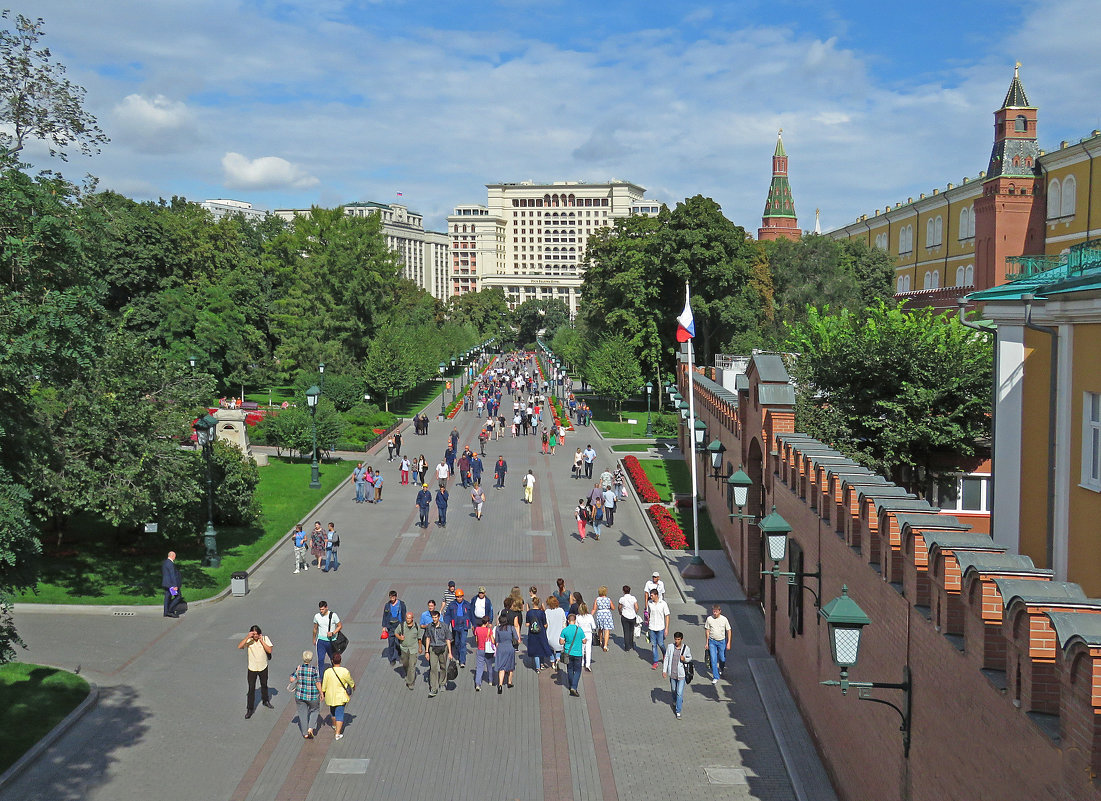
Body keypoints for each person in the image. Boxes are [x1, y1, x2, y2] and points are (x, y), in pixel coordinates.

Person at [237, 625, 274, 719]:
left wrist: (261, 641)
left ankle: (265, 700)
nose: (255, 636)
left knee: (264, 685)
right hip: (252, 668)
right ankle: (250, 709)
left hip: (263, 667)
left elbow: (269, 650)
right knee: (251, 689)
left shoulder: (265, 639)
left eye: (257, 634)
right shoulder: (249, 640)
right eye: (254, 634)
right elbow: (240, 646)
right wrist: (247, 637)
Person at [289, 650, 323, 739]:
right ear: (311, 658)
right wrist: (321, 692)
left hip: (300, 695)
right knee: (315, 710)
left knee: (302, 713)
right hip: (313, 695)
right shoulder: (314, 669)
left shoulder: (299, 668)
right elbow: (317, 682)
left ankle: (305, 733)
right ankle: (311, 728)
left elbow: (292, 679)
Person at [321, 651, 355, 739]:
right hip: (340, 696)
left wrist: (323, 693)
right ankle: (337, 733)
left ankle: (334, 725)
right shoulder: (344, 671)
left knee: (332, 711)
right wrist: (353, 686)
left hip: (330, 696)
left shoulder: (328, 672)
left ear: (332, 661)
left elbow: (324, 685)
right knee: (340, 713)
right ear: (340, 660)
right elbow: (350, 681)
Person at [662, 632, 692, 719]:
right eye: (676, 639)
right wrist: (664, 671)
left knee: (679, 692)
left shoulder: (686, 648)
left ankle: (678, 711)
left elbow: (690, 658)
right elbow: (667, 658)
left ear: (681, 639)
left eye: (678, 639)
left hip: (681, 674)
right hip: (672, 673)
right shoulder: (670, 647)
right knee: (674, 690)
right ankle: (675, 701)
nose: (677, 641)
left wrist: (685, 659)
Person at [423, 609, 452, 697]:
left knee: (443, 666)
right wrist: (427, 651)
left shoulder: (444, 626)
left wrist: (450, 652)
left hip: (443, 648)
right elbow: (427, 638)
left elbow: (448, 639)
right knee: (433, 668)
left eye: (436, 617)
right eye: (433, 617)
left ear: (439, 617)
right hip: (433, 648)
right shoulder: (429, 627)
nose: (434, 619)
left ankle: (442, 683)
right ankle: (434, 688)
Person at [704, 604, 733, 684]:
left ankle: (721, 668)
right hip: (712, 641)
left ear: (720, 611)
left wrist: (728, 642)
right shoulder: (709, 619)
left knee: (722, 658)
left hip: (721, 641)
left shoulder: (724, 619)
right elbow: (707, 630)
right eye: (714, 612)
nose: (715, 613)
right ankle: (715, 676)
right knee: (713, 659)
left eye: (716, 612)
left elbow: (729, 630)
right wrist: (707, 642)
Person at [560, 613, 587, 697]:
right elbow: (584, 641)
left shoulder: (565, 630)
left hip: (568, 653)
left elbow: (561, 642)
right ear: (575, 621)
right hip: (578, 653)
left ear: (568, 621)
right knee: (578, 670)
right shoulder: (579, 630)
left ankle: (571, 685)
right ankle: (574, 687)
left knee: (570, 669)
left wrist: (566, 642)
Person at [525, 596, 554, 672]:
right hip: (541, 633)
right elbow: (545, 624)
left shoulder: (529, 613)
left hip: (532, 634)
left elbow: (527, 624)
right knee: (543, 647)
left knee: (535, 651)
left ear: (532, 603)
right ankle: (546, 662)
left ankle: (537, 667)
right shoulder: (542, 613)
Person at [444, 589, 472, 668]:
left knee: (462, 643)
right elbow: (447, 615)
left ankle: (462, 661)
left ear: (463, 596)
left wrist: (474, 625)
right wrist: (446, 625)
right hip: (455, 627)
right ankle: (458, 655)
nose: (459, 598)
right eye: (457, 597)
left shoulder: (467, 604)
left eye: (460, 596)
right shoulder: (452, 605)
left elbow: (471, 615)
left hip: (464, 627)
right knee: (457, 643)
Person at [313, 600, 342, 671]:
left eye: (322, 609)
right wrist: (314, 639)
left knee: (334, 659)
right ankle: (321, 678)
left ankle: (336, 673)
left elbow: (339, 626)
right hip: (321, 641)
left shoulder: (333, 615)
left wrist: (333, 633)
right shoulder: (317, 616)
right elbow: (315, 628)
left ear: (326, 608)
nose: (321, 611)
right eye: (320, 609)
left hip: (331, 641)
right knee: (320, 660)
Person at [494, 611, 519, 693]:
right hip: (509, 648)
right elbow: (516, 637)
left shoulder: (497, 629)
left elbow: (496, 641)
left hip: (501, 649)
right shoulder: (511, 628)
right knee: (510, 666)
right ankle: (509, 682)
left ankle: (500, 685)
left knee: (501, 668)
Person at [395, 611, 421, 690]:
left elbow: (419, 638)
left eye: (409, 618)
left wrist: (420, 648)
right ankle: (407, 673)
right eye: (407, 618)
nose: (408, 620)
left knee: (412, 666)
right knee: (405, 664)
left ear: (412, 618)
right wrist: (400, 638)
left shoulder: (416, 626)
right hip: (404, 648)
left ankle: (410, 682)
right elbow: (396, 633)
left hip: (413, 649)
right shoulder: (402, 626)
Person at [646, 589, 670, 669]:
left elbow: (667, 615)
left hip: (660, 627)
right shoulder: (649, 603)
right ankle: (655, 662)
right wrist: (647, 620)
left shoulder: (663, 604)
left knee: (661, 643)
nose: (650, 597)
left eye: (652, 595)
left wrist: (666, 628)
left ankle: (665, 654)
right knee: (653, 645)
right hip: (652, 627)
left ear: (656, 595)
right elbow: (647, 613)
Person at [382, 590, 406, 665]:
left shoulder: (401, 604)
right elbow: (385, 616)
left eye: (393, 597)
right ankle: (392, 659)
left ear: (396, 597)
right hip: (390, 627)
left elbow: (404, 614)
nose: (392, 598)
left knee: (399, 642)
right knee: (391, 643)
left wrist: (404, 625)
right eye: (390, 597)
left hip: (399, 626)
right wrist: (384, 626)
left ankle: (400, 655)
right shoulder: (387, 605)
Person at [544, 595, 567, 669]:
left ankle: (552, 662)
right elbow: (564, 621)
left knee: (550, 649)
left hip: (550, 634)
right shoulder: (561, 610)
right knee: (558, 649)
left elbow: (546, 623)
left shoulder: (547, 612)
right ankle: (558, 658)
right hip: (559, 633)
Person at [473, 617, 496, 691]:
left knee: (480, 667)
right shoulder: (489, 630)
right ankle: (490, 681)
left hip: (480, 649)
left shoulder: (477, 629)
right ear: (487, 623)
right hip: (488, 651)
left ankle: (478, 684)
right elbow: (492, 641)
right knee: (489, 666)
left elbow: (476, 640)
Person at [593, 586, 615, 652]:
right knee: (607, 629)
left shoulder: (597, 599)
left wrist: (590, 615)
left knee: (600, 628)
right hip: (607, 614)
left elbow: (594, 609)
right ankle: (605, 645)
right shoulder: (608, 599)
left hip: (600, 613)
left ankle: (600, 641)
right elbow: (613, 608)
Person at [576, 602, 597, 671]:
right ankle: (587, 664)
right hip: (588, 634)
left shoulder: (577, 617)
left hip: (581, 635)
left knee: (581, 649)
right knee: (588, 650)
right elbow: (594, 626)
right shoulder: (590, 616)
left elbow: (576, 626)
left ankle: (581, 662)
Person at [618, 585, 639, 652]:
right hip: (632, 616)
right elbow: (636, 607)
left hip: (625, 616)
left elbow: (619, 607)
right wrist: (635, 613)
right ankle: (631, 644)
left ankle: (627, 647)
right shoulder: (633, 598)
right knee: (631, 630)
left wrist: (620, 612)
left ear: (623, 591)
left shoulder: (622, 599)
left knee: (626, 631)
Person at [161, 550, 182, 618]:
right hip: (171, 585)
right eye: (174, 556)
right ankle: (169, 611)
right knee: (178, 597)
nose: (175, 558)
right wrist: (175, 585)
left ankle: (165, 612)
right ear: (172, 556)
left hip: (166, 584)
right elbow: (172, 575)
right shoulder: (170, 563)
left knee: (167, 597)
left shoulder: (165, 562)